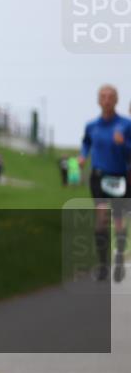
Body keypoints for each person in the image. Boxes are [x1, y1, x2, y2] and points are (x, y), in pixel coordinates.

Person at [79, 85, 131, 283]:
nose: (107, 100)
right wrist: (83, 157)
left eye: (110, 97)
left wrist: (124, 144)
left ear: (116, 100)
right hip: (99, 176)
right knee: (101, 217)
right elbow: (86, 143)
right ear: (98, 100)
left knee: (118, 220)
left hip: (120, 176)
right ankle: (102, 266)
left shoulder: (126, 125)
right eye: (103, 97)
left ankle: (118, 258)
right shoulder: (91, 125)